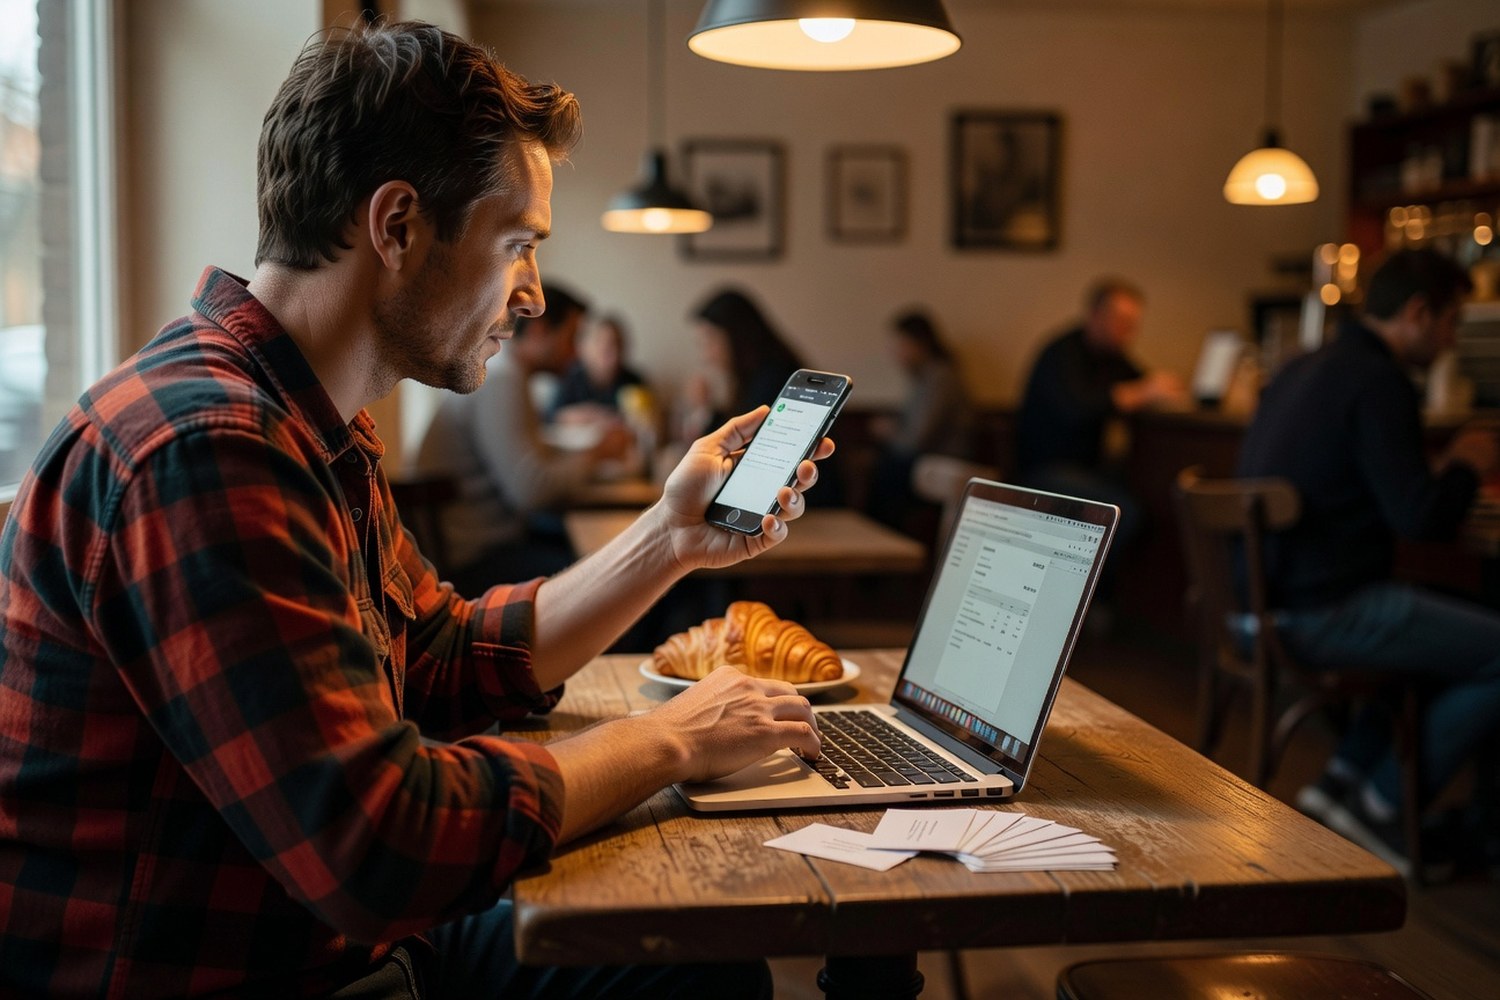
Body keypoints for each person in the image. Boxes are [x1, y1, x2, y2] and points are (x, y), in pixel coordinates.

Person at [0, 21, 831, 998]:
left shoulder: (305, 424)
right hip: (238, 973)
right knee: (696, 974)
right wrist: (672, 739)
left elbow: (437, 656)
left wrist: (670, 539)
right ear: (396, 225)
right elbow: (380, 844)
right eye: (518, 244)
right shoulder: (206, 446)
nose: (530, 297)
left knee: (696, 965)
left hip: (315, 942)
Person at [1237, 248, 1500, 873]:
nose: (1451, 339)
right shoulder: (1379, 382)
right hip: (1322, 612)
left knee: (1450, 625)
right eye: (1451, 322)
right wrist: (1467, 460)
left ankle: (1341, 782)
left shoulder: (1306, 367)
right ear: (1417, 313)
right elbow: (1422, 520)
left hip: (1258, 607)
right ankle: (1383, 806)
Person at [415, 282, 633, 588]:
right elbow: (531, 491)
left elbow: (528, 458)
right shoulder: (501, 376)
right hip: (476, 562)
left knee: (599, 554)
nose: (575, 354)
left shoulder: (507, 372)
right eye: (573, 338)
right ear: (541, 330)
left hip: (487, 547)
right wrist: (597, 453)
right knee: (610, 574)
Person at [1014, 278, 1188, 565]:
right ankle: (1086, 596)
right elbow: (1077, 409)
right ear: (1095, 315)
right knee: (1124, 513)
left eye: (1133, 324)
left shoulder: (1113, 358)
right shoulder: (1062, 353)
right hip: (1045, 470)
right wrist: (1135, 394)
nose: (1129, 332)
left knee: (1156, 500)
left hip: (1089, 469)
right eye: (1122, 321)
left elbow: (1145, 383)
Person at [864, 308, 975, 530]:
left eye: (901, 345)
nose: (896, 353)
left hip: (944, 459)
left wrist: (888, 431)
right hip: (925, 456)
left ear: (921, 343)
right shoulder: (924, 378)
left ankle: (886, 540)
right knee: (882, 467)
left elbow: (915, 440)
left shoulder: (940, 378)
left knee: (888, 471)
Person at [549, 312, 649, 421]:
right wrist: (588, 414)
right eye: (600, 343)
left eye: (615, 343)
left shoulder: (633, 381)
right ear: (585, 347)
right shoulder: (568, 377)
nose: (607, 349)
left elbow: (649, 421)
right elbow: (551, 416)